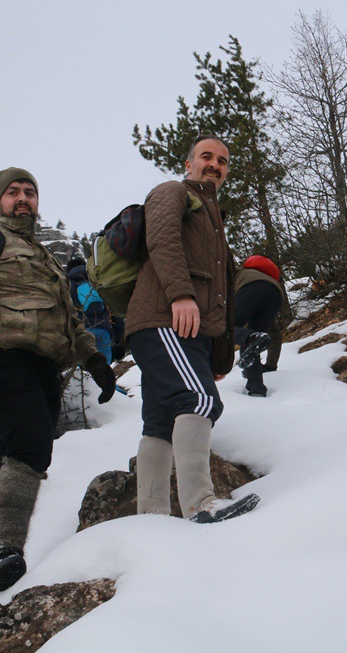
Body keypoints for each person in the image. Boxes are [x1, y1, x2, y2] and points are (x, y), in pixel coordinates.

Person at [0, 167, 117, 600]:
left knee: (23, 453)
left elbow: (67, 318)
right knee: (28, 444)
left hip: (43, 367)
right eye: (14, 192)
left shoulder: (46, 257)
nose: (23, 198)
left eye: (30, 191)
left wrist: (93, 358)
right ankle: (6, 550)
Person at [125, 135, 260, 523]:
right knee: (200, 400)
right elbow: (162, 239)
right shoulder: (172, 192)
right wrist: (180, 295)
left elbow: (221, 295)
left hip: (179, 328)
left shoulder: (213, 219)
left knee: (160, 421)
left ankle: (150, 517)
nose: (214, 164)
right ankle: (201, 503)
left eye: (222, 160)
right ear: (189, 164)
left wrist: (218, 355)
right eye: (206, 157)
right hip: (166, 318)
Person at [233, 255, 285, 397]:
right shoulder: (270, 283)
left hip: (250, 289)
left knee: (223, 327)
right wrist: (270, 365)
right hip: (276, 295)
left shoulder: (240, 273)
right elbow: (274, 334)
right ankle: (256, 388)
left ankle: (249, 338)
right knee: (253, 343)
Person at [67, 255, 114, 363]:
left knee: (85, 371)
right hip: (104, 330)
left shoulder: (69, 284)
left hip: (82, 332)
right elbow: (112, 309)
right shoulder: (96, 279)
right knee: (104, 369)